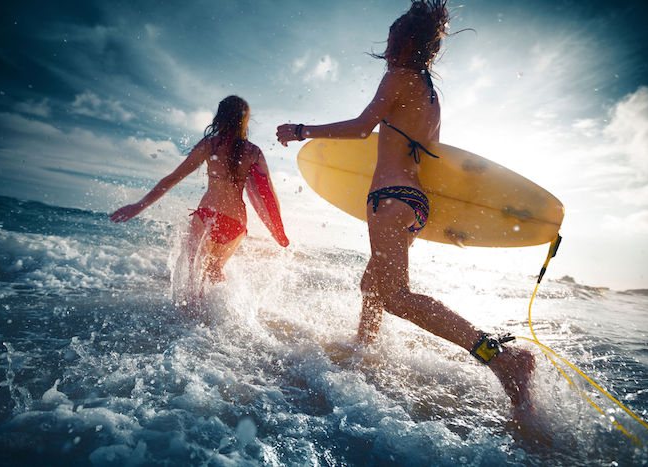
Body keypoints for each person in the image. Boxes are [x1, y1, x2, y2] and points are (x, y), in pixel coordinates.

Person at [276, 1, 535, 411]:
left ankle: (500, 358)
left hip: (389, 198)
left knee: (395, 295)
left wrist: (301, 130)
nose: (388, 47)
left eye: (394, 39)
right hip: (414, 203)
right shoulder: (431, 95)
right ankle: (364, 355)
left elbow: (363, 128)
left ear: (405, 42)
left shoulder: (398, 76)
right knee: (372, 288)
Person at [111, 95, 284, 294]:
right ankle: (222, 317)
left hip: (208, 216)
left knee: (195, 276)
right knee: (215, 271)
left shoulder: (211, 145)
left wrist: (138, 206)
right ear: (244, 120)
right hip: (237, 223)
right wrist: (278, 231)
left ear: (220, 117)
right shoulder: (254, 151)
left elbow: (173, 178)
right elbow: (268, 193)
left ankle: (190, 322)